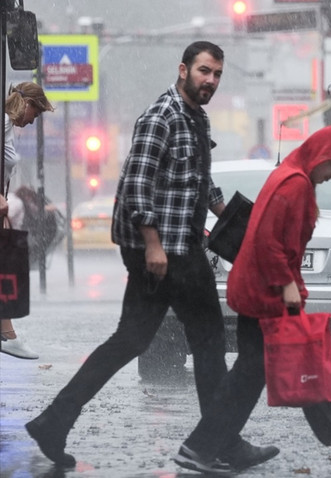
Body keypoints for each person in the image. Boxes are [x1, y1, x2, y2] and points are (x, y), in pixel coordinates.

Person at [26, 41, 276, 469]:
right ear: (183, 70)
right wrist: (153, 245)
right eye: (203, 71)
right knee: (209, 338)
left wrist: (232, 216)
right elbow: (137, 184)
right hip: (165, 250)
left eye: (217, 74)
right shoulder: (162, 115)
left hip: (177, 245)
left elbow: (198, 181)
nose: (210, 81)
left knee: (133, 340)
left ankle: (54, 421)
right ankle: (221, 442)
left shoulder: (195, 117)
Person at [175, 126, 331, 475]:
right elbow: (270, 243)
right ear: (321, 158)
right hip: (268, 296)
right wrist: (288, 285)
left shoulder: (288, 176)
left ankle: (199, 448)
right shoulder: (297, 184)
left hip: (255, 290)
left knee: (257, 375)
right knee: (304, 369)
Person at [0, 81, 54, 361]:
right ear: (28, 104)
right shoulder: (3, 122)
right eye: (36, 114)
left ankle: (8, 334)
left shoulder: (7, 125)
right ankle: (8, 335)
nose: (33, 122)